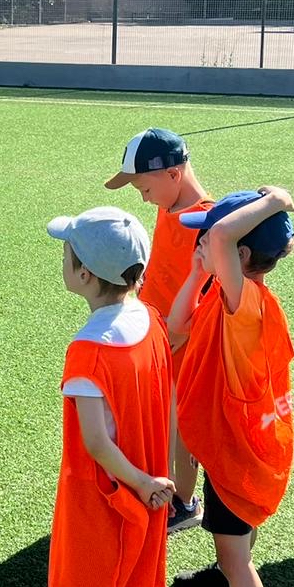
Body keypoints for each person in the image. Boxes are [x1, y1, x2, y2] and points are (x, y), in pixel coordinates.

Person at [0, 208, 174, 587]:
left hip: (103, 498)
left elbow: (96, 443)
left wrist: (139, 481)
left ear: (85, 274)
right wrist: (154, 481)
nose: (63, 259)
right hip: (151, 492)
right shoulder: (151, 320)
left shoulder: (88, 350)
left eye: (67, 253)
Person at [167, 189, 294, 587]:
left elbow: (221, 234)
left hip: (242, 454)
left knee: (238, 561)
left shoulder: (245, 306)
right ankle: (224, 578)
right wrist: (197, 271)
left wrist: (276, 200)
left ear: (239, 255)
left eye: (208, 240)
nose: (202, 242)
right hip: (236, 445)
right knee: (232, 549)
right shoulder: (224, 295)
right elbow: (175, 328)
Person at [104, 127, 214, 533]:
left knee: (180, 427)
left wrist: (170, 338)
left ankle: (184, 501)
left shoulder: (204, 218)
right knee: (162, 423)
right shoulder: (169, 205)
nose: (143, 198)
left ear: (173, 174)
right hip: (158, 338)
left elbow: (205, 291)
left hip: (181, 347)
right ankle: (167, 492)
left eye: (144, 188)